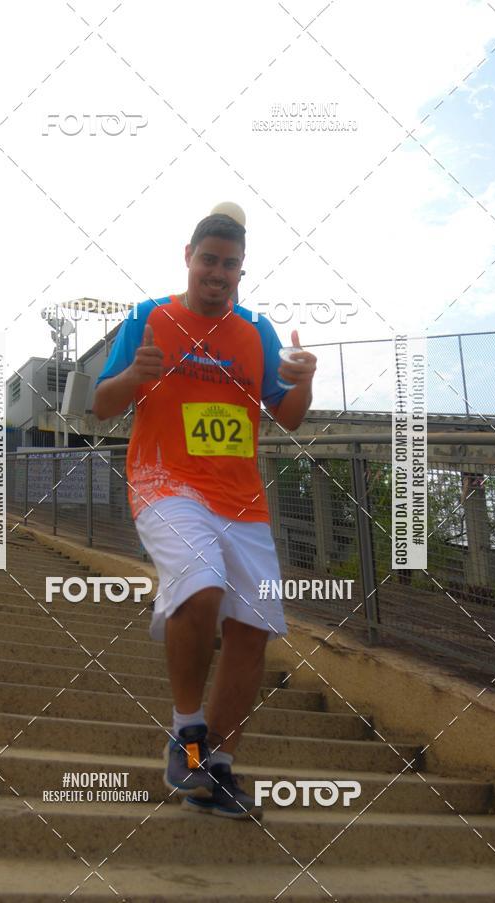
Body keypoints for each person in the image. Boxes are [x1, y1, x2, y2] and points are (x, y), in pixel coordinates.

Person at [93, 213, 317, 819]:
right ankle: (187, 731)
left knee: (252, 631)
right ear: (188, 256)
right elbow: (98, 405)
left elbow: (289, 417)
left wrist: (304, 380)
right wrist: (133, 377)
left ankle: (212, 770)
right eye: (208, 259)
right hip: (165, 483)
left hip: (242, 500)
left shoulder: (256, 332)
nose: (217, 273)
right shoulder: (150, 317)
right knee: (202, 586)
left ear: (241, 270)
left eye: (229, 264)